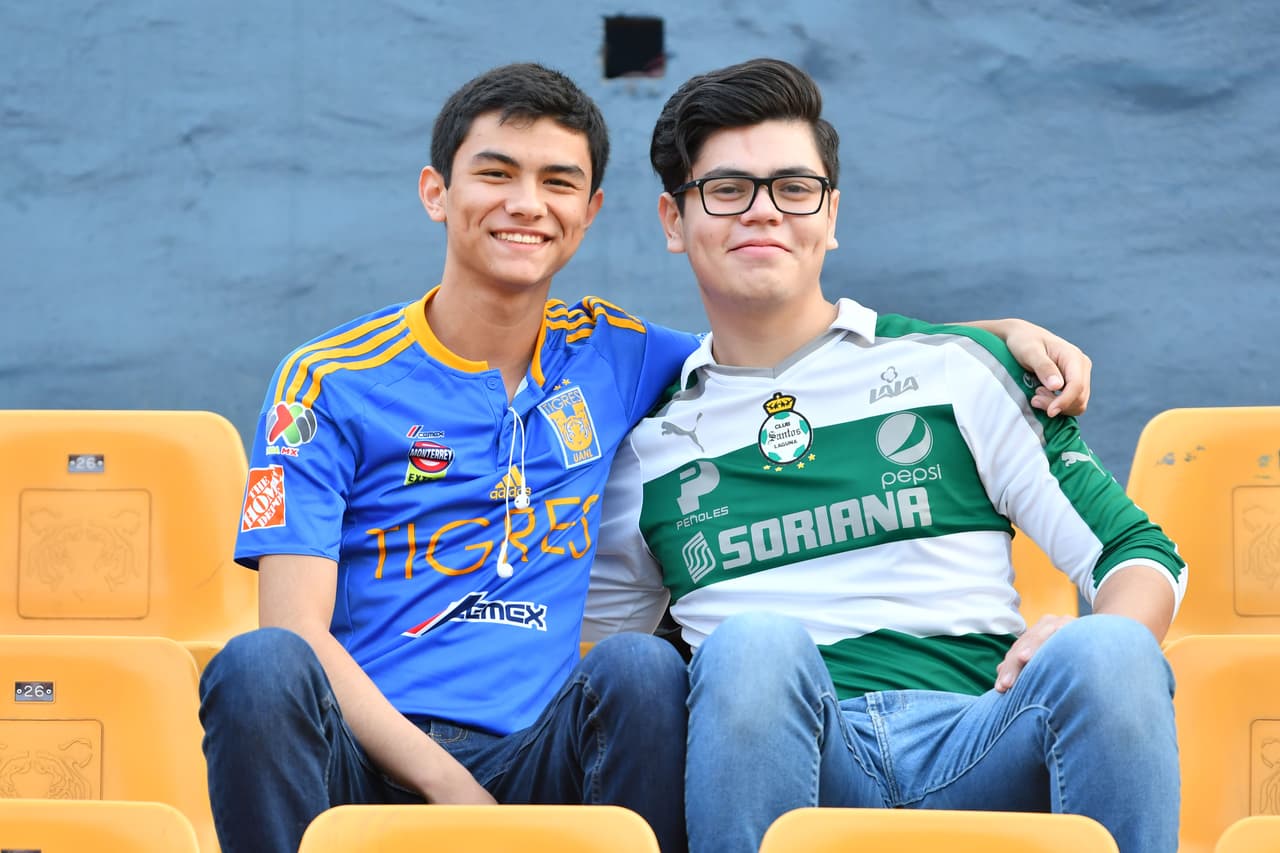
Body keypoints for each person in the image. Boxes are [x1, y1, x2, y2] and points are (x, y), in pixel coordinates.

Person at [199, 62, 1096, 853]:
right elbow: (299, 632)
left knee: (642, 669)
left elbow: (786, 343)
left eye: (559, 181)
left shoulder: (613, 351)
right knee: (258, 662)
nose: (526, 203)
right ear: (436, 191)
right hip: (367, 746)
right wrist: (448, 788)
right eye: (495, 173)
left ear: (588, 214)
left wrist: (990, 336)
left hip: (541, 745)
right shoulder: (326, 377)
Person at [585, 58, 1186, 853]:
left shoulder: (957, 369)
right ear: (673, 218)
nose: (763, 213)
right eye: (728, 190)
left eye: (794, 189)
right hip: (798, 752)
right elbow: (598, 656)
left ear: (831, 215)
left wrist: (1095, 630)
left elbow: (1139, 553)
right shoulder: (647, 443)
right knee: (753, 643)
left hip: (982, 738)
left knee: (1110, 647)